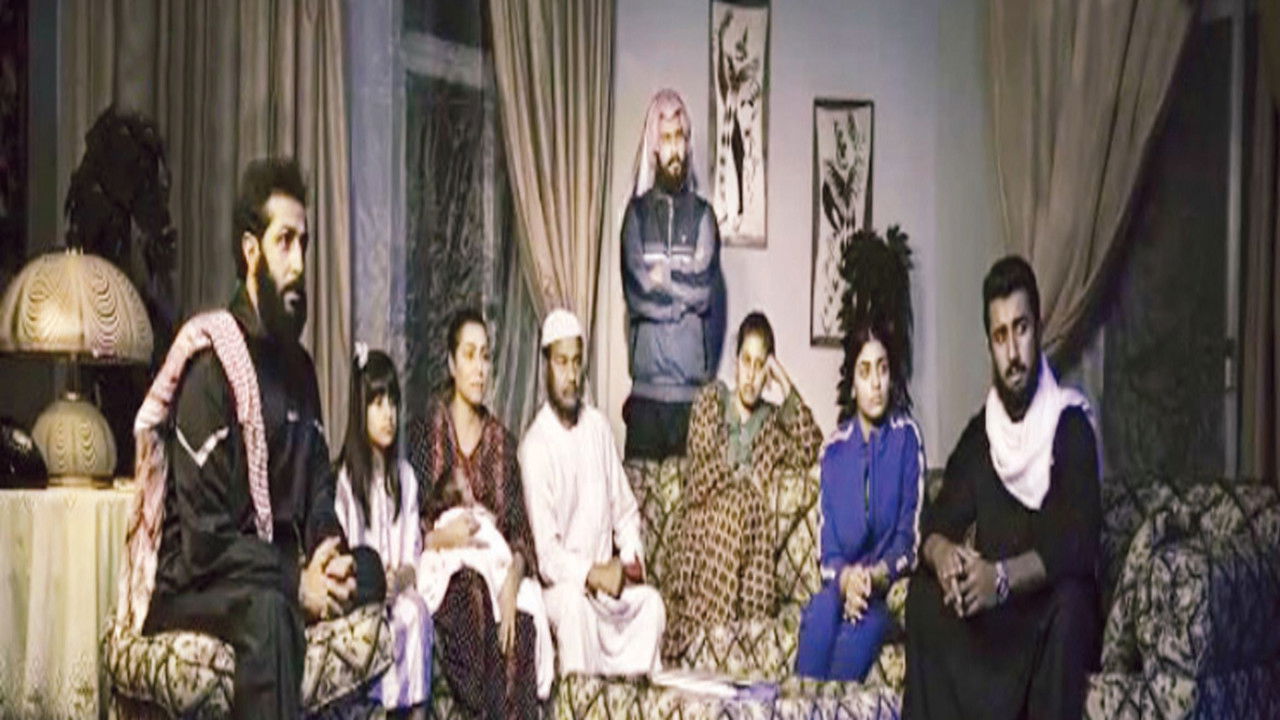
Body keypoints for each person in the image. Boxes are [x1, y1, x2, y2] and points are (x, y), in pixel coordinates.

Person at [141, 157, 383, 718]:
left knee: (369, 570)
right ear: (252, 251)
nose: (299, 263)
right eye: (285, 242)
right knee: (272, 613)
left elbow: (319, 488)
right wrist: (296, 581)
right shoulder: (211, 365)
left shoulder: (300, 369)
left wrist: (327, 550)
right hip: (202, 579)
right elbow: (206, 541)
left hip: (274, 567)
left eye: (304, 244)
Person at [903, 256, 1101, 720]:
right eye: (1000, 336)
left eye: (1021, 329)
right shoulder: (982, 434)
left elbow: (1078, 542)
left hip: (1045, 612)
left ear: (1038, 329)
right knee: (923, 596)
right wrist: (944, 556)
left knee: (1072, 603)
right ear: (990, 346)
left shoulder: (1070, 424)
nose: (1013, 352)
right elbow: (935, 521)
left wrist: (1004, 579)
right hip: (997, 621)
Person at [662, 311, 822, 662]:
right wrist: (744, 485)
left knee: (743, 511)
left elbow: (811, 443)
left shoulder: (772, 426)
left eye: (761, 365)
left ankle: (720, 651)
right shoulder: (711, 401)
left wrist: (784, 380)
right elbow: (700, 476)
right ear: (736, 362)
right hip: (701, 538)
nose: (751, 375)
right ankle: (705, 642)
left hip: (748, 552)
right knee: (739, 506)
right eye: (746, 361)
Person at [406, 309, 542, 718]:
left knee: (521, 624)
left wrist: (511, 584)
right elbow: (405, 522)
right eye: (469, 355)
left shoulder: (502, 442)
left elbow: (520, 533)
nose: (479, 369)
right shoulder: (426, 433)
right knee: (472, 596)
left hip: (496, 567)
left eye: (485, 356)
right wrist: (442, 538)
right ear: (452, 364)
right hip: (446, 568)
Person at [520, 308, 667, 675]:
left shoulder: (598, 428)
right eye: (561, 363)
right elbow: (548, 557)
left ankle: (631, 704)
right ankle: (584, 702)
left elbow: (625, 512)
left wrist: (630, 560)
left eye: (576, 362)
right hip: (565, 591)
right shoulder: (535, 447)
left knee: (651, 606)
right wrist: (592, 573)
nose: (571, 375)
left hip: (606, 594)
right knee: (574, 607)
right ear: (546, 366)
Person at [795, 321, 923, 681]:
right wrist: (847, 580)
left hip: (880, 592)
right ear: (852, 384)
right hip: (841, 588)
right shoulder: (833, 451)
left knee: (856, 638)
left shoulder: (907, 439)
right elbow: (828, 551)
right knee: (819, 618)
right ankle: (798, 703)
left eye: (882, 369)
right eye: (865, 372)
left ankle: (832, 703)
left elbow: (908, 540)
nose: (876, 383)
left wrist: (874, 577)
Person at [621, 88, 726, 461]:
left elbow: (704, 292)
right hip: (645, 402)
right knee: (640, 497)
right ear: (654, 145)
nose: (674, 149)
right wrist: (681, 301)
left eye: (679, 137)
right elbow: (638, 296)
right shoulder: (635, 216)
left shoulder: (703, 217)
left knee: (691, 501)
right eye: (666, 138)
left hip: (690, 403)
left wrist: (663, 277)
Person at [333, 346, 432, 717]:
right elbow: (343, 556)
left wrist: (398, 580)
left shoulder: (404, 477)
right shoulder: (345, 481)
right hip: (360, 597)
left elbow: (412, 559)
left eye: (392, 402)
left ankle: (414, 711)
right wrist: (374, 585)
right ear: (360, 410)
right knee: (376, 623)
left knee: (415, 611)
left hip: (398, 592)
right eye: (377, 403)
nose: (388, 413)